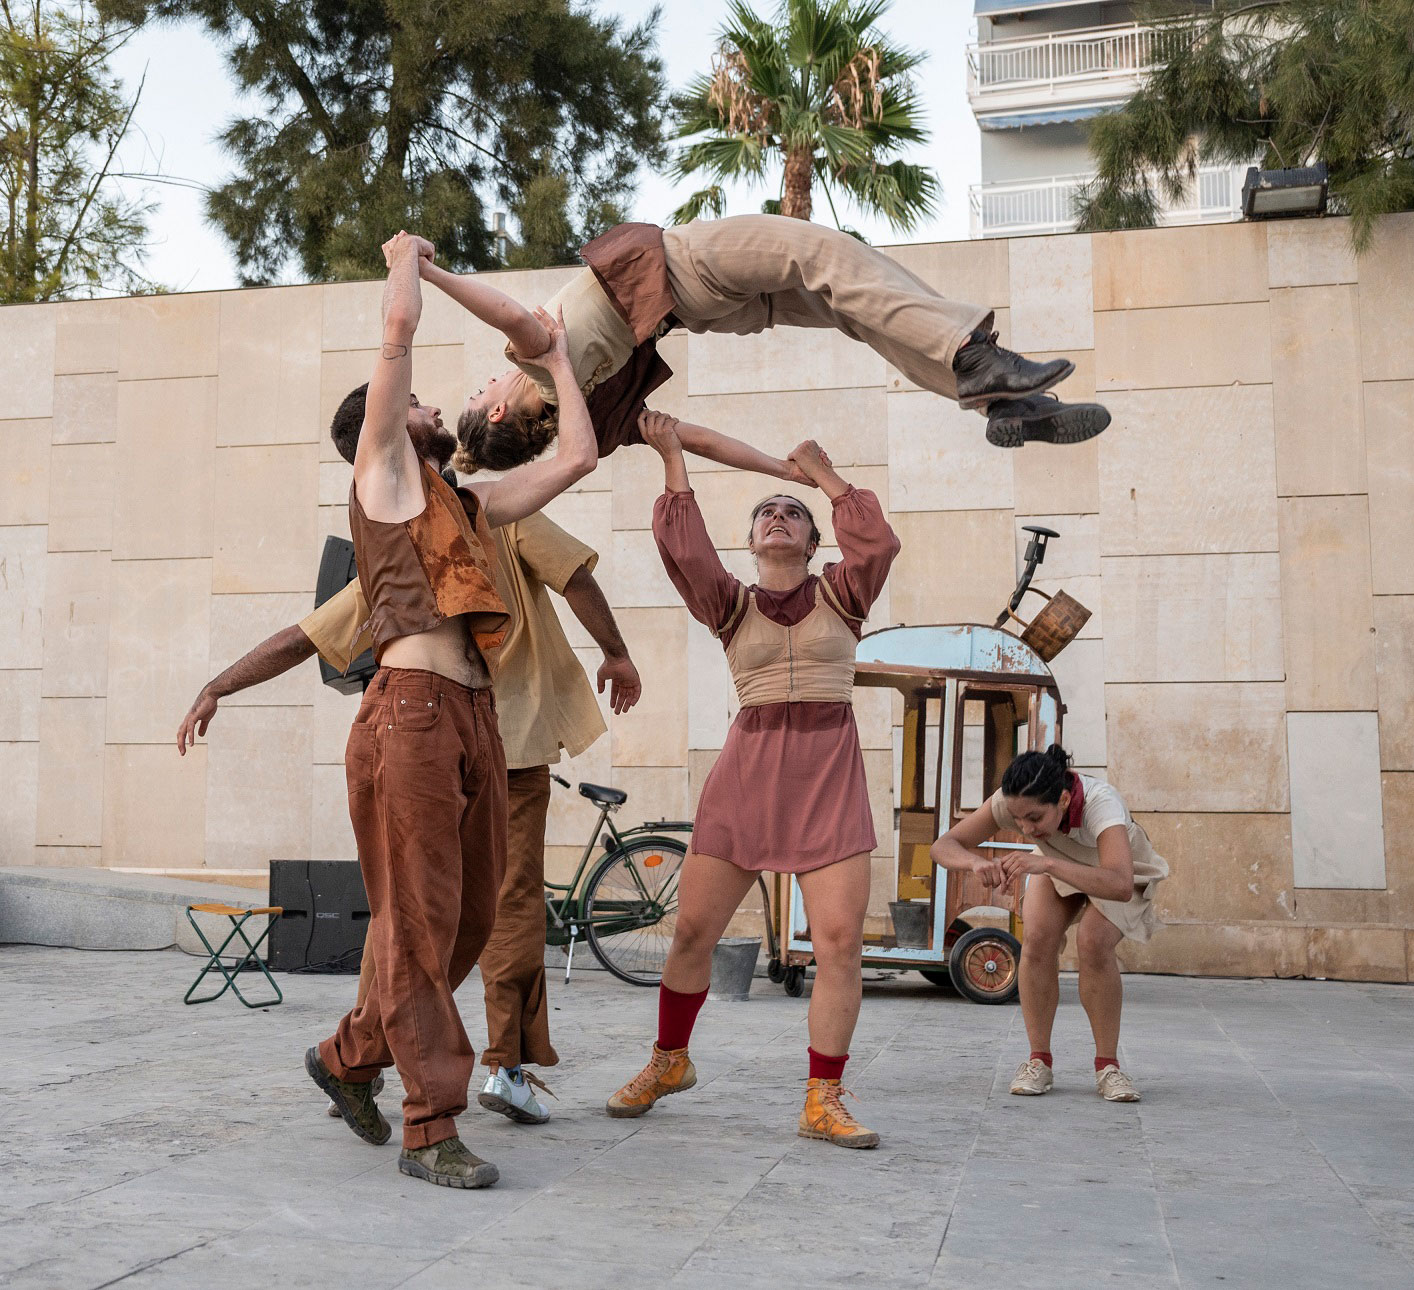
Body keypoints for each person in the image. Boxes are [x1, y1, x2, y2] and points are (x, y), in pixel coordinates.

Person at [177, 500, 639, 1131]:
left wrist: (218, 687)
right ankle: (458, 1092)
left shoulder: (450, 528)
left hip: (482, 736)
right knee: (472, 910)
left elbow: (309, 633)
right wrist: (615, 651)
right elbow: (313, 632)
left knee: (437, 914)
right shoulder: (469, 524)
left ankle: (361, 1058)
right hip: (459, 736)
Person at [301, 229, 598, 1189]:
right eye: (421, 403)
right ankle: (430, 1127)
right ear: (385, 426)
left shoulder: (466, 506)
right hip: (413, 715)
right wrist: (406, 261)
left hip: (477, 721)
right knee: (424, 925)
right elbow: (398, 334)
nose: (438, 408)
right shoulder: (383, 478)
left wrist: (553, 359)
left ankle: (349, 1057)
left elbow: (579, 458)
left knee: (465, 922)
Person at [604, 410, 898, 1150]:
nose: (778, 515)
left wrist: (819, 474)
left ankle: (822, 1099)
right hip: (747, 771)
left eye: (793, 513)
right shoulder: (729, 604)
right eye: (767, 509)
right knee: (693, 933)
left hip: (828, 774)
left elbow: (878, 539)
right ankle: (669, 1061)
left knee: (837, 943)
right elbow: (684, 549)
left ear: (813, 537)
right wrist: (673, 456)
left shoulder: (844, 594)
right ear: (751, 538)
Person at [414, 215, 1110, 470]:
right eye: (480, 395)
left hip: (704, 313)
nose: (484, 384)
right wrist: (427, 268)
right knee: (832, 255)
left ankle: (1001, 405)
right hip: (690, 267)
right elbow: (508, 314)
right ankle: (974, 356)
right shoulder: (539, 361)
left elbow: (695, 438)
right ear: (499, 410)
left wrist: (780, 472)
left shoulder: (582, 415)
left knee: (854, 309)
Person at [929, 745, 1170, 1103]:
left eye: (1035, 818)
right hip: (1056, 863)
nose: (1025, 827)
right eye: (1018, 818)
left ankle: (1108, 1067)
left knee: (1093, 941)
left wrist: (1046, 865)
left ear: (1062, 798)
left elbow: (1119, 885)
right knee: (1037, 939)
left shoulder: (1101, 804)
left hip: (1119, 871)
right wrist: (974, 863)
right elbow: (944, 845)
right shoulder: (1013, 802)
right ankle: (1038, 1061)